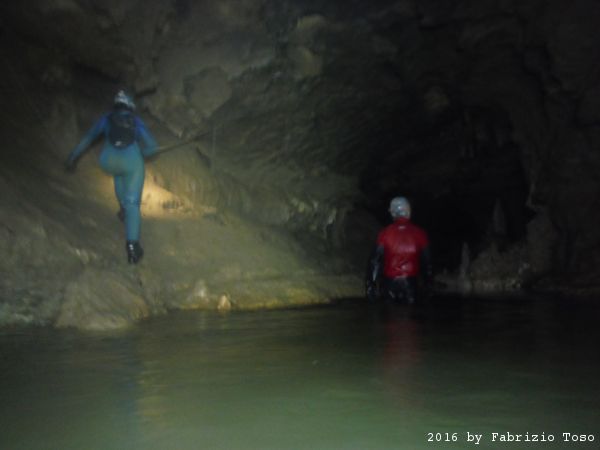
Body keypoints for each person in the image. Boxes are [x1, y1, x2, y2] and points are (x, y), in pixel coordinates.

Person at [64, 90, 158, 264]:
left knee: (118, 174)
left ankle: (122, 209)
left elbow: (88, 137)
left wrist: (72, 157)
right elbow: (153, 147)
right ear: (130, 106)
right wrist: (144, 153)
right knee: (133, 203)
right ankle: (133, 248)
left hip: (108, 160)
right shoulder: (136, 121)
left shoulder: (107, 119)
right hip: (131, 161)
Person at [366, 196, 432, 304]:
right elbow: (427, 263)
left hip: (389, 283)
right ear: (408, 211)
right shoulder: (420, 234)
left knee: (389, 312)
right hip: (411, 284)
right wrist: (428, 284)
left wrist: (371, 285)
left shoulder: (385, 233)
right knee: (411, 313)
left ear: (393, 212)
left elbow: (375, 261)